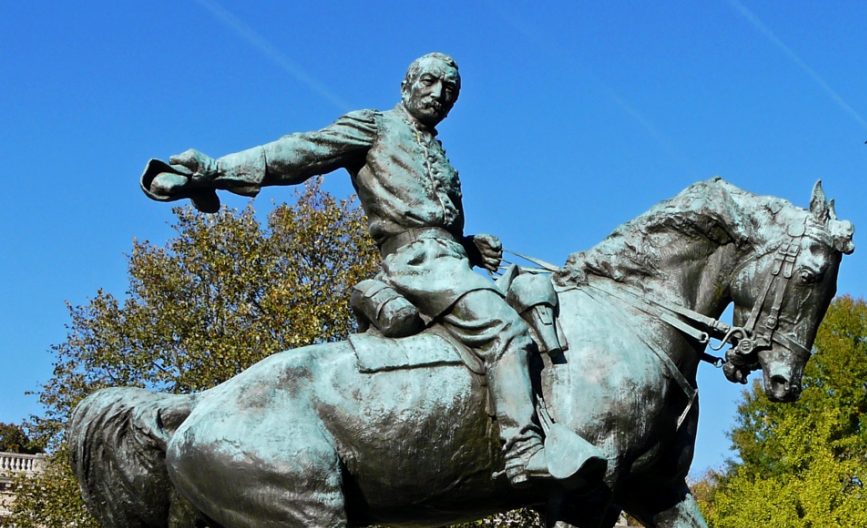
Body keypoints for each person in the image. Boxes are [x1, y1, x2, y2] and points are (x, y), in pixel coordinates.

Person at [141, 52, 602, 487]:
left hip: (450, 264)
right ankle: (522, 449)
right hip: (416, 267)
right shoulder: (374, 127)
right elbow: (300, 151)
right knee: (507, 331)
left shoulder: (439, 153)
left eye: (451, 89)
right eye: (430, 81)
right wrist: (217, 170)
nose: (440, 93)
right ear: (405, 86)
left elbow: (428, 221)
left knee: (536, 304)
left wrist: (469, 246)